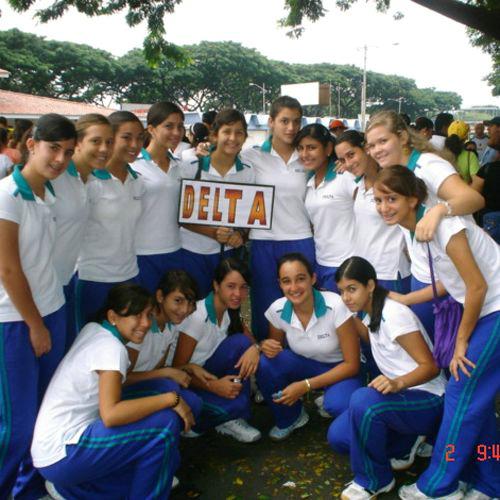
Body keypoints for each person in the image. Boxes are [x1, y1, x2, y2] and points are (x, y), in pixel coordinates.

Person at [374, 166, 500, 500]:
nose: (384, 207)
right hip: (485, 307)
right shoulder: (414, 232)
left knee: (461, 389)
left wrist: (461, 341)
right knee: (477, 403)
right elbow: (450, 280)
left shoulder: (443, 226)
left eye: (391, 199)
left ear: (413, 199)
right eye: (378, 200)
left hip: (495, 307)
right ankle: (490, 480)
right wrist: (406, 299)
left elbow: (476, 286)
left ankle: (439, 485)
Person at [31, 284, 194, 499]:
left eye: (148, 315)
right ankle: (75, 488)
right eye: (136, 315)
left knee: (163, 389)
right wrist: (171, 399)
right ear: (113, 316)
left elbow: (118, 382)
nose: (146, 323)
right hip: (62, 454)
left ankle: (75, 490)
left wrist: (164, 379)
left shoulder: (96, 329)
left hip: (56, 447)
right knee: (164, 425)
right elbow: (111, 415)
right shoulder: (111, 349)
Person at [0, 113, 76, 498]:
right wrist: (35, 325)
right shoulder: (6, 196)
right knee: (16, 425)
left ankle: (29, 489)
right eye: (53, 148)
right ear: (31, 144)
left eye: (68, 152)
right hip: (15, 321)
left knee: (46, 413)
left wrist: (47, 319)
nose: (60, 159)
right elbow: (8, 269)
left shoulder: (49, 193)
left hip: (52, 308)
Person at [329, 257, 446, 500]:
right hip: (402, 399)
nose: (346, 297)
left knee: (363, 401)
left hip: (429, 398)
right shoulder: (367, 313)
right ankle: (406, 442)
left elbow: (432, 367)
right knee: (339, 437)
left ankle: (375, 480)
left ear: (370, 285)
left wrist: (397, 383)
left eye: (352, 289)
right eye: (341, 291)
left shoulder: (394, 314)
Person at [365, 110, 484, 338]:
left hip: (450, 279)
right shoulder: (395, 170)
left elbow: (474, 199)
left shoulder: (427, 165)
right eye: (371, 145)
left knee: (451, 350)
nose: (376, 150)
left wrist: (439, 210)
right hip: (423, 275)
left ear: (402, 137)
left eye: (383, 141)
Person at [257, 253, 361, 440]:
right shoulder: (277, 309)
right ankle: (291, 417)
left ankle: (330, 396)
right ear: (279, 284)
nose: (294, 287)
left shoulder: (335, 305)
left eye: (300, 279)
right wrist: (262, 346)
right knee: (266, 364)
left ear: (313, 278)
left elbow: (352, 365)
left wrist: (305, 386)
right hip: (305, 365)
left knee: (338, 404)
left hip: (341, 369)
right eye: (286, 281)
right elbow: (275, 352)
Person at [242, 96, 315, 340]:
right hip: (263, 241)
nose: (291, 127)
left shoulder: (307, 158)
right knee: (266, 306)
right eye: (284, 121)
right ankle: (266, 357)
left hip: (301, 239)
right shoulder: (250, 156)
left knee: (302, 305)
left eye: (296, 121)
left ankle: (302, 354)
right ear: (271, 122)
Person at [172, 258, 262, 443]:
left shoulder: (230, 310)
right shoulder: (197, 317)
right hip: (189, 382)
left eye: (243, 287)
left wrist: (255, 348)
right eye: (231, 286)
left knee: (241, 343)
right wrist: (213, 386)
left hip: (210, 372)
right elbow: (177, 369)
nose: (238, 294)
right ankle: (196, 424)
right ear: (216, 285)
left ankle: (232, 415)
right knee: (235, 405)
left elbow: (250, 341)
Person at [75, 111, 145, 330]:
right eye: (126, 137)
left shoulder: (138, 181)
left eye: (140, 138)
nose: (134, 145)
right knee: (90, 340)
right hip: (93, 278)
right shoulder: (89, 181)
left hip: (129, 275)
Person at [52, 114, 113, 351]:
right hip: (41, 288)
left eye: (109, 142)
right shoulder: (56, 178)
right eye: (96, 141)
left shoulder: (89, 181)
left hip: (65, 281)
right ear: (77, 143)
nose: (104, 149)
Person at [180, 108, 255, 296]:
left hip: (228, 254)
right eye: (227, 132)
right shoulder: (191, 166)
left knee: (226, 305)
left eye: (239, 133)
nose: (233, 138)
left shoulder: (248, 171)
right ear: (214, 135)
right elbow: (180, 217)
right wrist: (213, 232)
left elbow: (249, 216)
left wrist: (240, 234)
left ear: (245, 137)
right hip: (192, 251)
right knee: (193, 304)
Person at [335, 130, 411, 294]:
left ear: (366, 149)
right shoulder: (358, 185)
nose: (348, 163)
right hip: (365, 272)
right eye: (342, 160)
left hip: (390, 272)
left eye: (351, 155)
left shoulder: (393, 182)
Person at [132, 101, 186, 292]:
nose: (176, 132)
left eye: (180, 126)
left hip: (175, 249)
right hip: (142, 253)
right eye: (169, 126)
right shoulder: (133, 166)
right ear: (151, 129)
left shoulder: (181, 166)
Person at [297, 124, 356, 292]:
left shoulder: (344, 176)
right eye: (300, 148)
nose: (305, 154)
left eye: (311, 148)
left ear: (328, 148)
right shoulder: (308, 181)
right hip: (320, 262)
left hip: (346, 264)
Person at [445, 120, 480, 184]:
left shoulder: (440, 154)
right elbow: (477, 182)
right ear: (466, 137)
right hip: (465, 189)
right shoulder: (470, 156)